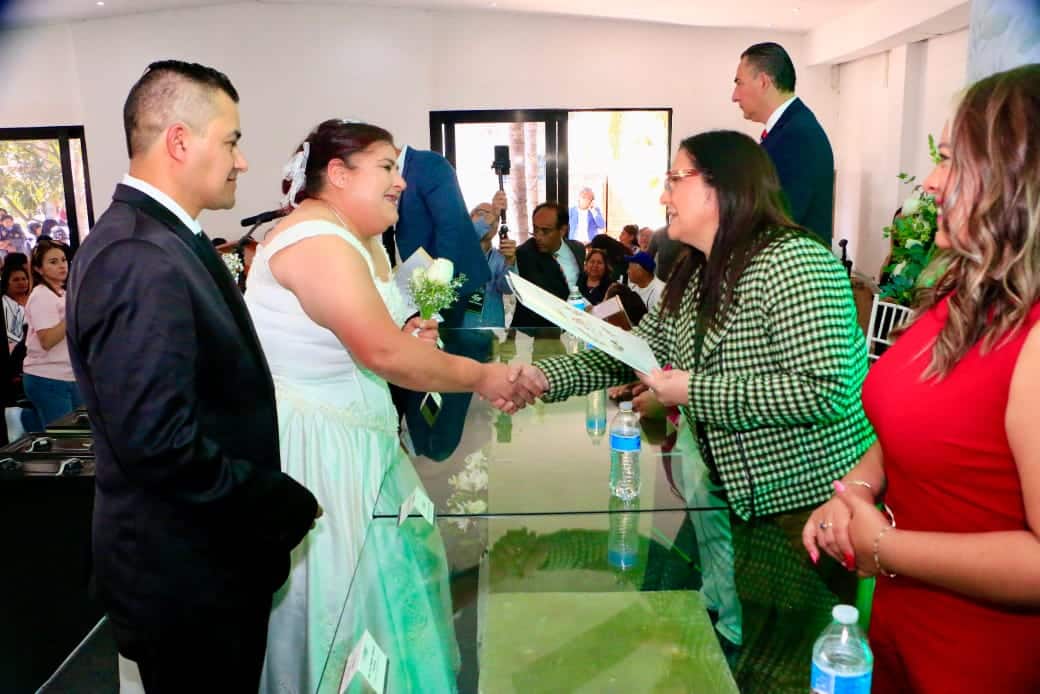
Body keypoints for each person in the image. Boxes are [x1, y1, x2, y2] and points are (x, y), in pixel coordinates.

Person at [511, 130, 874, 688]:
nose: (664, 196)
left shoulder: (794, 262)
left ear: (720, 188)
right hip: (735, 503)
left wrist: (693, 390)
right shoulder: (698, 270)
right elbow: (630, 354)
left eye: (675, 180)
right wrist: (539, 378)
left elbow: (826, 389)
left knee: (787, 669)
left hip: (802, 510)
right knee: (737, 649)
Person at [246, 119, 536, 693]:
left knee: (383, 592)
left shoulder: (356, 238)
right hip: (322, 453)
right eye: (385, 167)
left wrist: (406, 332)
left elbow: (372, 337)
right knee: (339, 597)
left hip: (361, 438)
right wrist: (482, 376)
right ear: (337, 173)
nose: (400, 182)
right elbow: (381, 353)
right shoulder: (316, 242)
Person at [65, 61, 320, 693]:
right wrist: (273, 499)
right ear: (180, 141)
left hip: (203, 562)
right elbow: (159, 444)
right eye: (231, 141)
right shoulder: (137, 256)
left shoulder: (162, 239)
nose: (241, 161)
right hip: (185, 576)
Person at [803, 64, 1040, 694]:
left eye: (952, 160)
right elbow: (912, 429)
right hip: (898, 625)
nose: (931, 182)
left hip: (981, 657)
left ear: (1018, 182)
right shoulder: (960, 294)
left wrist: (886, 546)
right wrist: (854, 491)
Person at [732, 42, 834, 245]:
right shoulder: (790, 128)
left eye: (739, 83)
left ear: (763, 82)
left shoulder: (797, 136)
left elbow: (779, 220)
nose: (734, 96)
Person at [388, 144, 489, 327]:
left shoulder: (428, 164)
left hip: (452, 284)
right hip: (418, 284)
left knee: (459, 341)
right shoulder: (392, 176)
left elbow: (451, 225)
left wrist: (437, 286)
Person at [22, 240, 81, 426]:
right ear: (39, 269)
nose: (62, 265)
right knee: (67, 437)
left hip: (70, 374)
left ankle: (27, 420)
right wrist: (72, 314)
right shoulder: (41, 296)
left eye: (63, 260)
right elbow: (47, 340)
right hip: (48, 377)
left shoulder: (63, 293)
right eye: (53, 262)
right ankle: (22, 419)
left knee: (79, 432)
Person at [511, 202, 586, 329]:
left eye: (545, 231)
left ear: (562, 230)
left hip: (575, 328)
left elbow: (579, 287)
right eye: (535, 229)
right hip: (537, 333)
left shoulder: (578, 249)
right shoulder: (524, 254)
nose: (538, 237)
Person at [464, 191, 516, 328]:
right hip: (460, 330)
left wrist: (510, 261)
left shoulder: (501, 257)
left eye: (496, 219)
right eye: (482, 214)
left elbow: (507, 289)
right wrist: (493, 213)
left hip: (493, 329)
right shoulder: (458, 250)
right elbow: (469, 236)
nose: (492, 220)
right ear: (469, 219)